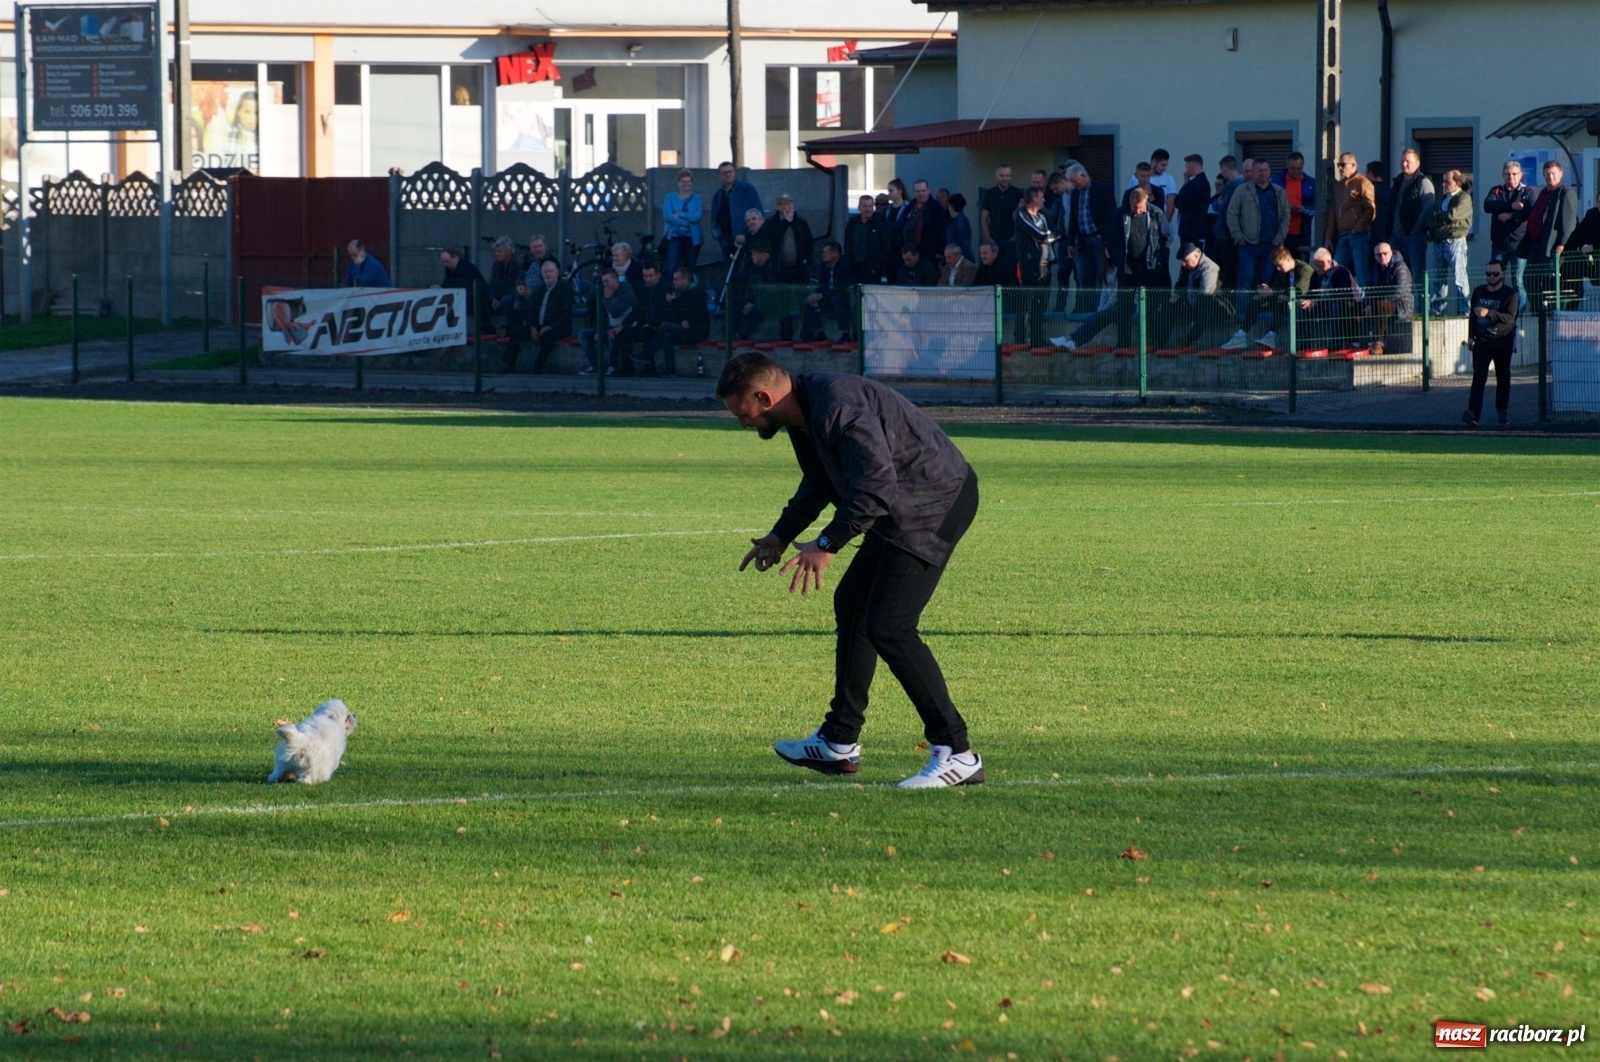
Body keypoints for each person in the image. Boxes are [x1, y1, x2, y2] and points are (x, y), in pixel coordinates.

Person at [719, 352, 984, 789]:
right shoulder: (803, 412)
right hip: (900, 504)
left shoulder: (836, 405)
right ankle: (839, 742)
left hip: (934, 501)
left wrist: (827, 545)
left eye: (742, 413)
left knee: (890, 627)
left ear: (764, 397)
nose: (742, 423)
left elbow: (875, 484)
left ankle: (957, 752)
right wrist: (782, 534)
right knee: (854, 605)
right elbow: (821, 481)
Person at [1058, 187, 1164, 352]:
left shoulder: (1155, 214)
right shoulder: (1120, 215)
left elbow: (1166, 237)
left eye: (1141, 208)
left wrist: (1159, 260)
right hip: (1126, 267)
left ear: (1146, 202)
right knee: (1123, 307)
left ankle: (1152, 340)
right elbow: (1110, 238)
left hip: (1147, 267)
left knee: (1149, 305)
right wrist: (1119, 260)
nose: (1137, 211)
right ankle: (1123, 342)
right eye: (1135, 208)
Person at [1519, 160, 1581, 310]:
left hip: (1551, 247)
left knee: (1550, 281)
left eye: (1553, 173)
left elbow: (1569, 222)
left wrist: (1562, 244)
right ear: (1543, 175)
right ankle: (1539, 310)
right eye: (1547, 173)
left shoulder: (1566, 193)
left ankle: (1552, 313)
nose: (1550, 176)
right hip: (1535, 245)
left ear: (1560, 174)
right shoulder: (1543, 193)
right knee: (1529, 279)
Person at [1463, 262, 1519, 428]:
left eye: (1495, 274)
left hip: (1502, 341)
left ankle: (1502, 412)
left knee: (1503, 377)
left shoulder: (1510, 294)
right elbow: (1472, 316)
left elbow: (1510, 318)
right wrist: (1471, 337)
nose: (1491, 277)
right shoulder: (1479, 291)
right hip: (1482, 341)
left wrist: (1489, 313)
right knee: (1479, 377)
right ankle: (1473, 414)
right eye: (1488, 273)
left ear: (1502, 274)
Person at [1226, 159, 1290, 291]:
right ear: (1253, 173)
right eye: (1259, 171)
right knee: (1245, 280)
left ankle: (1261, 311)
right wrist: (1238, 236)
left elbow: (1285, 215)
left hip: (1271, 245)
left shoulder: (1278, 191)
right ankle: (1242, 312)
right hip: (1248, 244)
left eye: (1265, 170)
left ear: (1270, 172)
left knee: (1265, 282)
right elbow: (1232, 213)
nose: (1263, 173)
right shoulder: (1242, 190)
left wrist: (1280, 237)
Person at [1064, 163, 1118, 313]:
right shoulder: (1075, 193)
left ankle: (1098, 311)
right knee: (1083, 276)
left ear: (1083, 176)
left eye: (1075, 181)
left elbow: (1111, 214)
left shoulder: (1102, 189)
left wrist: (1106, 235)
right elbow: (1073, 218)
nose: (1074, 185)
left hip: (1099, 239)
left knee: (1101, 276)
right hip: (1081, 240)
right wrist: (1070, 241)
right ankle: (1086, 310)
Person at [1483, 161, 1536, 305]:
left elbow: (1530, 211)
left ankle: (1520, 313)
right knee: (1495, 279)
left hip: (1519, 246)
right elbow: (1488, 205)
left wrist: (1511, 216)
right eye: (1507, 174)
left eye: (1514, 174)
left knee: (1518, 281)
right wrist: (1511, 206)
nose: (1510, 177)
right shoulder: (1496, 191)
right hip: (1499, 244)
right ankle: (1499, 309)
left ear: (1520, 175)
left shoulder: (1527, 192)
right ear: (1502, 175)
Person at [641, 265, 710, 376]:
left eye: (676, 279)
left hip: (697, 330)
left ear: (685, 279)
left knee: (665, 325)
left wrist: (673, 302)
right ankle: (670, 369)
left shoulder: (695, 293)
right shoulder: (680, 294)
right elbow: (678, 313)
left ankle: (648, 352)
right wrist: (682, 318)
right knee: (667, 336)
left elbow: (688, 310)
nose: (673, 282)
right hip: (685, 327)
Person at [1424, 169, 1473, 315]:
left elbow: (1454, 215)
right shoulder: (1442, 199)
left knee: (1459, 277)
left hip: (1455, 242)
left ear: (1457, 182)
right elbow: (1430, 218)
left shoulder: (1464, 198)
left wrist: (1439, 219)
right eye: (1444, 181)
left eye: (1448, 181)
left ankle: (1463, 310)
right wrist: (1440, 219)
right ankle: (1437, 311)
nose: (1444, 184)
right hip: (1439, 243)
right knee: (1438, 279)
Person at [1325, 152, 1377, 286]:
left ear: (1354, 165)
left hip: (1358, 234)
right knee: (1335, 270)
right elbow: (1333, 211)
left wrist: (1358, 228)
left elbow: (1370, 209)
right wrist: (1328, 237)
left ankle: (1367, 304)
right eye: (1338, 165)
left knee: (1361, 271)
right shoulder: (1339, 185)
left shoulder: (1363, 183)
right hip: (1342, 234)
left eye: (1343, 165)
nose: (1340, 168)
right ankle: (1336, 303)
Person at [1249, 246, 1314, 351]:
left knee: (1282, 300)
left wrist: (1274, 293)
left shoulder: (1305, 269)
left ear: (1288, 259)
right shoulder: (1282, 272)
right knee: (1257, 299)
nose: (1278, 268)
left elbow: (1299, 291)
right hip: (1284, 300)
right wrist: (1267, 290)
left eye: (1279, 265)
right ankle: (1241, 334)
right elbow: (1277, 288)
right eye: (1276, 266)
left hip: (1303, 303)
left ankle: (1271, 336)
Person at [578, 267, 639, 376]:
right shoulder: (603, 293)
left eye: (607, 281)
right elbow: (602, 314)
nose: (605, 285)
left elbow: (615, 312)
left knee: (612, 334)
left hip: (625, 329)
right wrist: (599, 330)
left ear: (615, 280)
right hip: (609, 327)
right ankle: (595, 365)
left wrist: (609, 298)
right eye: (603, 281)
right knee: (583, 334)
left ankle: (612, 365)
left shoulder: (626, 293)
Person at [1167, 242, 1230, 347]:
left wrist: (1195, 318)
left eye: (1185, 260)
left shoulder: (1209, 268)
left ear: (1196, 256)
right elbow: (1180, 283)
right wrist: (1176, 294)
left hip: (1216, 308)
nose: (1183, 264)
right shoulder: (1187, 268)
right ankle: (1157, 341)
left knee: (1208, 304)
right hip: (1194, 305)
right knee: (1171, 304)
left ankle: (1188, 340)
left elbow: (1206, 294)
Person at [1389, 149, 1435, 293]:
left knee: (1417, 275)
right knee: (1398, 274)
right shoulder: (1397, 182)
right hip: (1396, 237)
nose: (1404, 164)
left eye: (1408, 161)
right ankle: (1403, 309)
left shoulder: (1424, 182)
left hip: (1414, 237)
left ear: (1417, 163)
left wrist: (1415, 229)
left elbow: (1428, 208)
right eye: (1402, 161)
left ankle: (1421, 312)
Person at [1300, 247, 1361, 350]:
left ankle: (1335, 347)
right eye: (1315, 265)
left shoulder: (1341, 272)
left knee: (1336, 308)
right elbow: (1312, 292)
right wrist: (1307, 300)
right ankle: (1303, 345)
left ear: (1329, 261)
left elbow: (1342, 295)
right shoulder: (1315, 274)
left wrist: (1317, 301)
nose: (1317, 267)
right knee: (1302, 309)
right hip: (1323, 305)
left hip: (1346, 306)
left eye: (1320, 264)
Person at [487, 236, 529, 365]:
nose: (497, 254)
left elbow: (519, 285)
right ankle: (489, 330)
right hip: (501, 294)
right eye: (496, 251)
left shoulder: (519, 265)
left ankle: (510, 326)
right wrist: (493, 299)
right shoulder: (496, 265)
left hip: (514, 296)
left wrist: (515, 298)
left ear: (509, 251)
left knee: (506, 301)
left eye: (500, 251)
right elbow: (492, 284)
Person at [526, 258, 572, 374]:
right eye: (545, 272)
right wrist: (532, 327)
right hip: (538, 326)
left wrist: (549, 326)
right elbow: (532, 310)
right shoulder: (539, 290)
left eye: (551, 272)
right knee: (517, 331)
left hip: (558, 327)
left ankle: (537, 367)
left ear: (556, 273)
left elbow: (564, 312)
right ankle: (508, 364)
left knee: (548, 336)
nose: (548, 274)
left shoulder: (565, 289)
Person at [1366, 242, 1414, 354]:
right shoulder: (1374, 269)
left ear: (1391, 253)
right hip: (1382, 302)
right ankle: (1357, 342)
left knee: (1380, 305)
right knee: (1360, 306)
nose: (1382, 257)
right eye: (1378, 255)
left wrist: (1383, 300)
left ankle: (1378, 343)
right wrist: (1368, 304)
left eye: (1385, 253)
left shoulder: (1400, 267)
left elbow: (1400, 290)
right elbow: (1370, 290)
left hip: (1399, 305)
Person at [802, 241, 853, 342]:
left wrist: (823, 295)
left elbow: (843, 287)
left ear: (835, 254)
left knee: (838, 300)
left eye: (826, 252)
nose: (823, 254)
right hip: (828, 297)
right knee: (809, 301)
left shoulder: (846, 265)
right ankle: (820, 334)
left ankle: (846, 335)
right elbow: (823, 285)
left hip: (845, 297)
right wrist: (816, 294)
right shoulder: (824, 267)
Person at [710, 162, 761, 259]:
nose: (727, 174)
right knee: (729, 269)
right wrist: (718, 235)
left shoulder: (747, 189)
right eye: (724, 173)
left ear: (734, 172)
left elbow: (758, 213)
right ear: (720, 175)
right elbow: (714, 217)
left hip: (745, 238)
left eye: (730, 171)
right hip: (725, 238)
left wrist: (747, 234)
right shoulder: (718, 195)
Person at [661, 168, 704, 280]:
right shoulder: (669, 197)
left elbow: (698, 216)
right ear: (678, 183)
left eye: (688, 181)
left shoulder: (697, 198)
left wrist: (679, 213)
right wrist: (686, 222)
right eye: (683, 181)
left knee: (689, 269)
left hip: (692, 238)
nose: (686, 184)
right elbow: (668, 216)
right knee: (671, 268)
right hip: (674, 237)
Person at [1272, 152, 1316, 260]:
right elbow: (1269, 204)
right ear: (1287, 165)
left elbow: (1318, 207)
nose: (1296, 171)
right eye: (1293, 168)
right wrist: (1285, 207)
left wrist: (1304, 209)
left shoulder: (1311, 183)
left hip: (1302, 234)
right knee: (1281, 268)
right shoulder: (1276, 181)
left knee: (1302, 266)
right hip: (1281, 234)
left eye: (1299, 168)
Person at [729, 240, 777, 341]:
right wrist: (749, 302)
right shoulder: (754, 269)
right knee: (735, 302)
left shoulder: (773, 268)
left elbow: (772, 292)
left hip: (771, 301)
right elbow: (751, 288)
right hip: (756, 300)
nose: (751, 257)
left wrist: (753, 304)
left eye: (754, 254)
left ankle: (742, 334)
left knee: (759, 307)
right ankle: (731, 332)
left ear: (763, 254)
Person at [1209, 156, 1245, 287]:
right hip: (1230, 234)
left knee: (1227, 270)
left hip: (1227, 234)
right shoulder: (1241, 185)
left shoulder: (1232, 186)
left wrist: (1217, 204)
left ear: (1225, 169)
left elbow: (1224, 208)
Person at [979, 164, 1023, 270]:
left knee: (1011, 270)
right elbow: (984, 217)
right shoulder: (990, 194)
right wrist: (988, 238)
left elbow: (1022, 218)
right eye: (1002, 176)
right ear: (996, 177)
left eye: (1007, 176)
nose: (1005, 178)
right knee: (993, 269)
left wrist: (1014, 238)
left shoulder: (1018, 194)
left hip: (1011, 241)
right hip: (994, 240)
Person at [844, 194, 893, 284]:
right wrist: (849, 265)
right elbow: (848, 245)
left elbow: (886, 248)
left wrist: (875, 267)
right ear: (859, 207)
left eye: (870, 206)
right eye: (865, 206)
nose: (868, 209)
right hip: (854, 270)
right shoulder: (852, 224)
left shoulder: (880, 225)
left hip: (872, 271)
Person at [438, 247, 488, 332]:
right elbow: (448, 284)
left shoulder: (466, 267)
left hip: (477, 296)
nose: (445, 265)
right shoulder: (449, 269)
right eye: (444, 262)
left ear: (455, 258)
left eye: (447, 261)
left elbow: (461, 285)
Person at [900, 180, 947, 265]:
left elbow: (941, 231)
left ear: (928, 190)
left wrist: (938, 251)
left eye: (923, 191)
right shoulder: (910, 206)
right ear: (914, 192)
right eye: (918, 191)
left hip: (928, 253)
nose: (921, 193)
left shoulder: (935, 208)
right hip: (909, 251)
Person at [1175, 154, 1212, 253]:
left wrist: (1185, 184)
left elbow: (1178, 201)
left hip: (1191, 231)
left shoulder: (1194, 184)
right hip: (1197, 230)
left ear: (1191, 167)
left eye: (1187, 167)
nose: (1186, 171)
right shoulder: (1204, 183)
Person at [1366, 161, 1393, 245]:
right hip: (1386, 233)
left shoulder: (1368, 191)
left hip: (1371, 233)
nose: (1365, 175)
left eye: (1367, 172)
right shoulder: (1390, 191)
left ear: (1371, 174)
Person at [881, 178, 911, 247]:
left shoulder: (908, 207)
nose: (889, 194)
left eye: (891, 191)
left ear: (900, 191)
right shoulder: (886, 209)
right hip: (888, 246)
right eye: (888, 191)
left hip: (903, 245)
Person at [945, 193, 974, 262]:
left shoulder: (958, 222)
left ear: (951, 206)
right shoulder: (962, 220)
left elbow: (962, 245)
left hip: (958, 260)